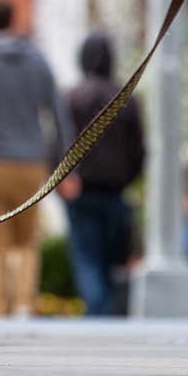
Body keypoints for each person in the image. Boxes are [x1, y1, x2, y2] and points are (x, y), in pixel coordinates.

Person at [0, 0, 75, 318]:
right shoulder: (37, 60)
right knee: (26, 239)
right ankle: (24, 303)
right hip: (31, 162)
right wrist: (61, 161)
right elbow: (56, 112)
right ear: (14, 18)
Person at [61, 32, 145, 317]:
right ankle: (105, 314)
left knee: (87, 258)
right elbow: (139, 151)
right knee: (111, 261)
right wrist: (127, 180)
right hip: (116, 193)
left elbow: (58, 143)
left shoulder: (72, 97)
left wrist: (64, 179)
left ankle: (97, 314)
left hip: (80, 190)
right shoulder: (126, 99)